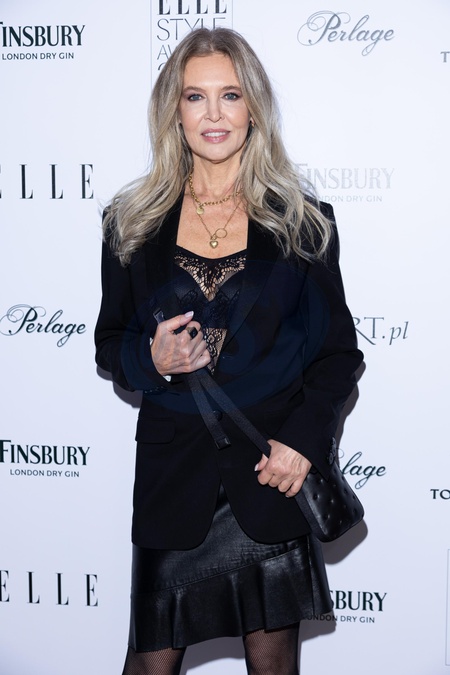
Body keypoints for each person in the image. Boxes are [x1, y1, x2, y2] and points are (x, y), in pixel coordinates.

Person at [95, 27, 363, 675]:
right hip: (173, 487)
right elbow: (110, 342)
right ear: (174, 111)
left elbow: (337, 354)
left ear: (253, 109)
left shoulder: (302, 222)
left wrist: (303, 442)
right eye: (196, 96)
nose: (213, 114)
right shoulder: (130, 222)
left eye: (231, 95)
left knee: (272, 666)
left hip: (270, 476)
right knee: (148, 665)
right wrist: (152, 358)